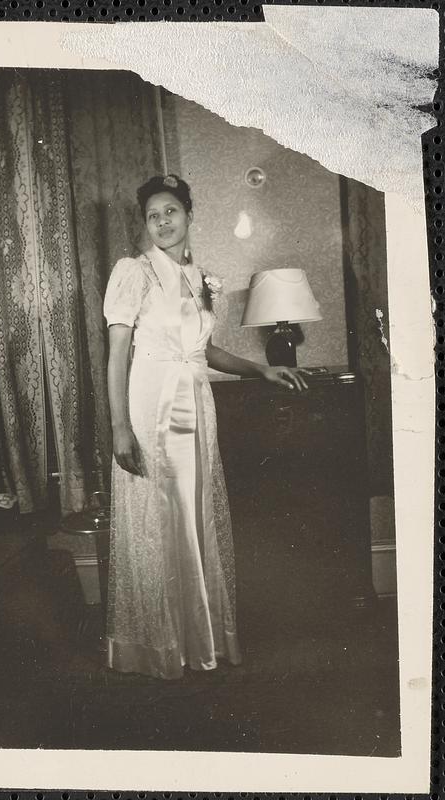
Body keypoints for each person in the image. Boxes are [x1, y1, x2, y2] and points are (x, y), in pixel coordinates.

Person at [103, 174, 308, 680]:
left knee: (193, 511)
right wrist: (119, 428)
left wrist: (261, 368)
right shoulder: (133, 272)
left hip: (197, 402)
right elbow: (115, 359)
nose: (163, 222)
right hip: (153, 402)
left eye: (171, 211)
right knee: (164, 513)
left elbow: (206, 351)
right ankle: (166, 641)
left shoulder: (198, 277)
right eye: (153, 215)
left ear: (189, 214)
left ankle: (201, 634)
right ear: (145, 224)